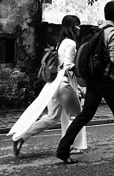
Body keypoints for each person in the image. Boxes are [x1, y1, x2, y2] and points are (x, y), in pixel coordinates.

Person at [56, 1, 114, 164]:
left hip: (93, 79)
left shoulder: (98, 30)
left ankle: (63, 150)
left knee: (85, 115)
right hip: (107, 80)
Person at [9, 15, 87, 157]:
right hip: (64, 84)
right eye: (77, 25)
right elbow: (67, 65)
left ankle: (21, 136)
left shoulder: (60, 43)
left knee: (51, 117)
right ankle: (75, 145)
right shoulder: (71, 43)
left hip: (53, 85)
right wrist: (82, 66)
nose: (79, 28)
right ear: (71, 26)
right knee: (77, 116)